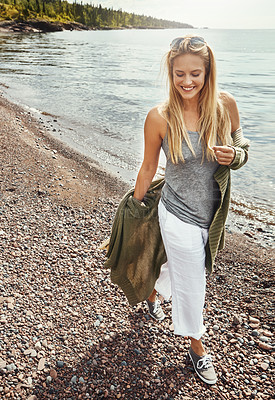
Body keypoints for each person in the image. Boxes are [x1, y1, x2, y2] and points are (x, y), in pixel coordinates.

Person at [133, 35, 249, 385]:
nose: (187, 81)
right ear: (170, 72)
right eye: (179, 74)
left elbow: (242, 146)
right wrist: (133, 210)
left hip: (212, 218)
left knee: (179, 268)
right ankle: (196, 348)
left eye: (195, 74)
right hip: (176, 213)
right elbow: (148, 167)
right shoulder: (160, 116)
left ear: (207, 71)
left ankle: (152, 291)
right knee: (193, 280)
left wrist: (236, 156)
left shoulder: (225, 105)